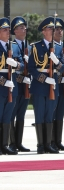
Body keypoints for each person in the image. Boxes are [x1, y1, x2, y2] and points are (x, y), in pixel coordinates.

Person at [28, 16, 64, 154]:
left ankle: (48, 144)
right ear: (44, 31)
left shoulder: (58, 48)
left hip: (53, 85)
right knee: (40, 115)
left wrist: (56, 61)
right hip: (39, 86)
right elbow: (31, 68)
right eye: (50, 28)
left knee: (49, 115)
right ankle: (40, 145)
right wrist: (43, 78)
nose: (52, 30)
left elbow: (62, 69)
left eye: (53, 28)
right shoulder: (36, 47)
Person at [0, 17, 24, 155]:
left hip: (11, 86)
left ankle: (5, 144)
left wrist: (15, 64)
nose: (8, 32)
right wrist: (3, 81)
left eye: (8, 30)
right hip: (2, 86)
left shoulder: (13, 46)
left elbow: (22, 66)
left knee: (8, 117)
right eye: (4, 30)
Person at [9, 16, 31, 152]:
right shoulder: (12, 46)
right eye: (20, 27)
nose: (24, 29)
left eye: (24, 27)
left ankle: (19, 142)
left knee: (21, 114)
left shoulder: (30, 46)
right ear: (15, 31)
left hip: (27, 85)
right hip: (16, 83)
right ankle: (11, 143)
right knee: (12, 114)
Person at [51, 17, 64, 151]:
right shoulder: (50, 46)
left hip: (63, 83)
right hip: (53, 83)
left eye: (61, 29)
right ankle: (51, 141)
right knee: (52, 113)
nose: (59, 31)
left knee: (60, 113)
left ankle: (58, 141)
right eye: (56, 29)